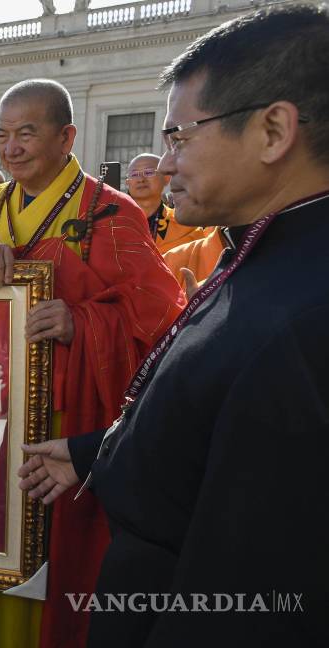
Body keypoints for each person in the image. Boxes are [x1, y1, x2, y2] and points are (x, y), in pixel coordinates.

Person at [19, 6, 329, 647]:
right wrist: (93, 453)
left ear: (273, 130)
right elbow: (211, 428)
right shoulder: (263, 252)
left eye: (179, 139)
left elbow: (252, 592)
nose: (162, 166)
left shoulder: (305, 322)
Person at [0, 78, 183, 648]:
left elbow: (161, 318)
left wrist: (84, 323)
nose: (10, 148)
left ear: (66, 137)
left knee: (45, 547)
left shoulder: (110, 213)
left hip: (60, 419)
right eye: (2, 136)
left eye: (26, 133)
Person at [126, 153, 205, 253]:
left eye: (149, 172)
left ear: (166, 178)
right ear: (127, 182)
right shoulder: (113, 225)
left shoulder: (185, 226)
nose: (141, 179)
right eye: (134, 174)